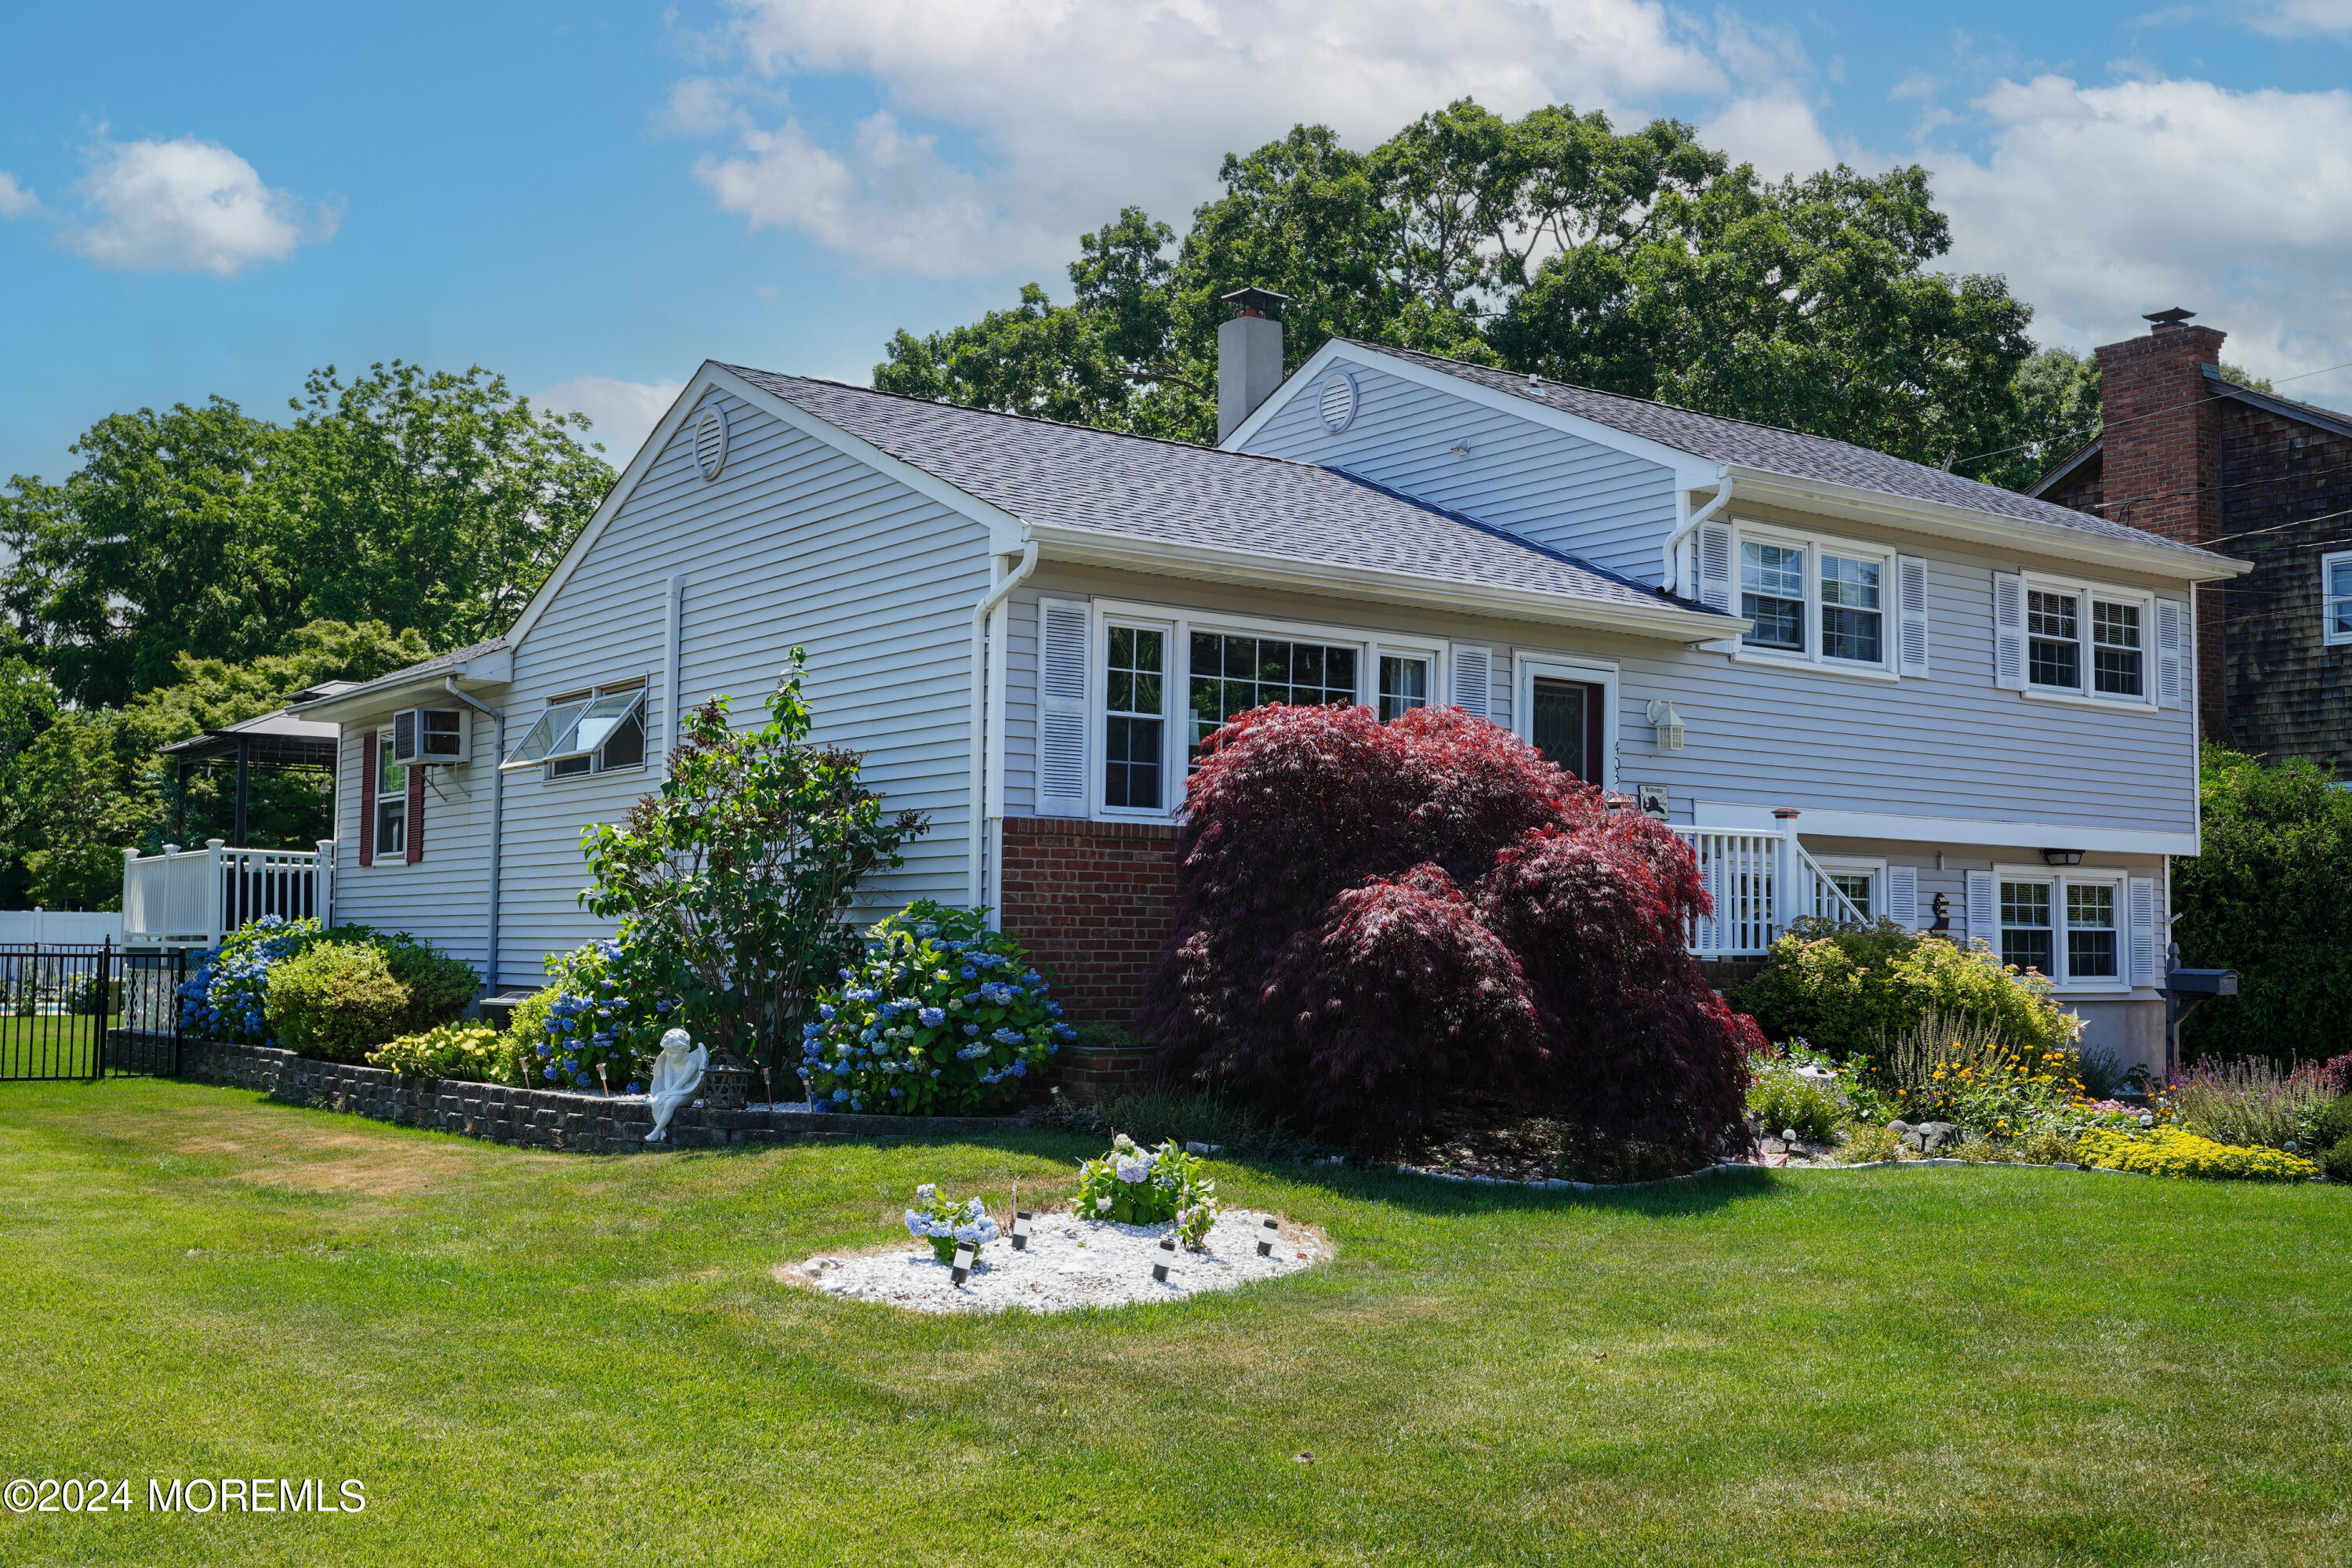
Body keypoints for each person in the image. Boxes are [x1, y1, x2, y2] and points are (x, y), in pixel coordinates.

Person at [643, 1027, 708, 1142]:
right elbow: (668, 1083)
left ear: (684, 1050)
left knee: (669, 1103)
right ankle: (662, 1130)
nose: (669, 1056)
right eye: (667, 1052)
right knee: (655, 1101)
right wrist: (667, 1094)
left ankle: (656, 1131)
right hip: (672, 1091)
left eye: (672, 1053)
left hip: (687, 1093)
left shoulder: (691, 1063)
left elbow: (681, 1083)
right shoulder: (669, 1061)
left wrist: (668, 1096)